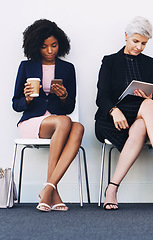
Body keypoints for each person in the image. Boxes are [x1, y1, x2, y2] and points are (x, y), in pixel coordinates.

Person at [95, 16, 153, 210]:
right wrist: (114, 110)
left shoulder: (151, 64)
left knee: (145, 114)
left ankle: (111, 189)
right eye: (135, 41)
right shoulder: (110, 61)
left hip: (138, 119)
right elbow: (101, 97)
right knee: (146, 106)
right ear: (126, 36)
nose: (139, 47)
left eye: (144, 43)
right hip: (110, 120)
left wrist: (151, 98)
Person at [12, 19, 84, 212]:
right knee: (64, 122)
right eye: (44, 47)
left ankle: (48, 188)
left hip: (60, 123)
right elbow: (15, 104)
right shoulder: (26, 67)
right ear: (36, 47)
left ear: (60, 44)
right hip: (32, 123)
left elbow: (69, 107)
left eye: (54, 45)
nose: (50, 51)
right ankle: (52, 193)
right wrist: (26, 99)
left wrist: (64, 96)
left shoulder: (67, 69)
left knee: (78, 127)